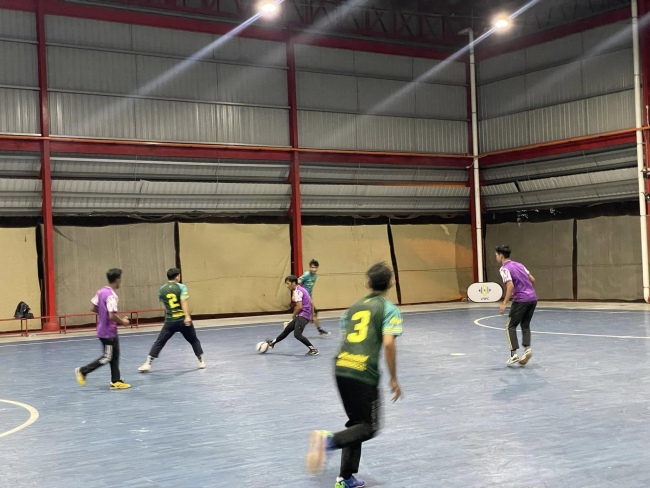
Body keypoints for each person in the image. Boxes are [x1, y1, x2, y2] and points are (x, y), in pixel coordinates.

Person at [306, 262, 403, 488]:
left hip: (341, 367)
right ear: (391, 283)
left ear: (367, 283)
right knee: (369, 427)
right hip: (363, 372)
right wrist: (393, 378)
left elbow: (347, 337)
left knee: (356, 424)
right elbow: (389, 343)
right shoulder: (388, 309)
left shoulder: (353, 308)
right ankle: (328, 441)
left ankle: (345, 478)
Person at [138, 268, 205, 372]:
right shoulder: (181, 287)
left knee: (160, 342)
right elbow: (183, 301)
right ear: (177, 276)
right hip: (183, 321)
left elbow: (165, 303)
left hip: (170, 321)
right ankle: (201, 361)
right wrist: (187, 316)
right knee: (193, 340)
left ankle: (147, 363)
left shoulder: (162, 289)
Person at [75, 268, 131, 390]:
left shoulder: (100, 292)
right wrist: (123, 322)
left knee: (115, 355)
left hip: (106, 329)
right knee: (107, 357)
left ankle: (116, 381)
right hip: (108, 332)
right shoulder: (112, 296)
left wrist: (103, 313)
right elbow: (111, 315)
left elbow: (94, 308)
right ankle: (83, 371)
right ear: (117, 280)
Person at [496, 244, 537, 366]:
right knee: (525, 324)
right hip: (532, 298)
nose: (496, 257)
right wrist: (528, 291)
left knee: (510, 326)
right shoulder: (519, 265)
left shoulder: (504, 269)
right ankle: (527, 349)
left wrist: (504, 303)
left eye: (496, 255)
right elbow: (532, 279)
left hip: (520, 300)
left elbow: (510, 285)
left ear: (501, 256)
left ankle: (513, 354)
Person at [266, 275, 319, 356]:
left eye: (288, 283)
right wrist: (311, 315)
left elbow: (300, 307)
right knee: (287, 330)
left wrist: (293, 315)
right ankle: (272, 343)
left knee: (297, 335)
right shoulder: (303, 289)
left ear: (293, 283)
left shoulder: (297, 291)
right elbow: (311, 303)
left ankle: (313, 349)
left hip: (303, 316)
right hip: (304, 315)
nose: (287, 286)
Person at [298, 259, 330, 336]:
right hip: (304, 297)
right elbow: (297, 282)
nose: (314, 269)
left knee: (312, 314)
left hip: (309, 297)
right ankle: (320, 330)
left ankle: (318, 328)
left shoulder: (315, 277)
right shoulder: (306, 275)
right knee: (312, 314)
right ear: (310, 267)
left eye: (315, 268)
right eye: (312, 267)